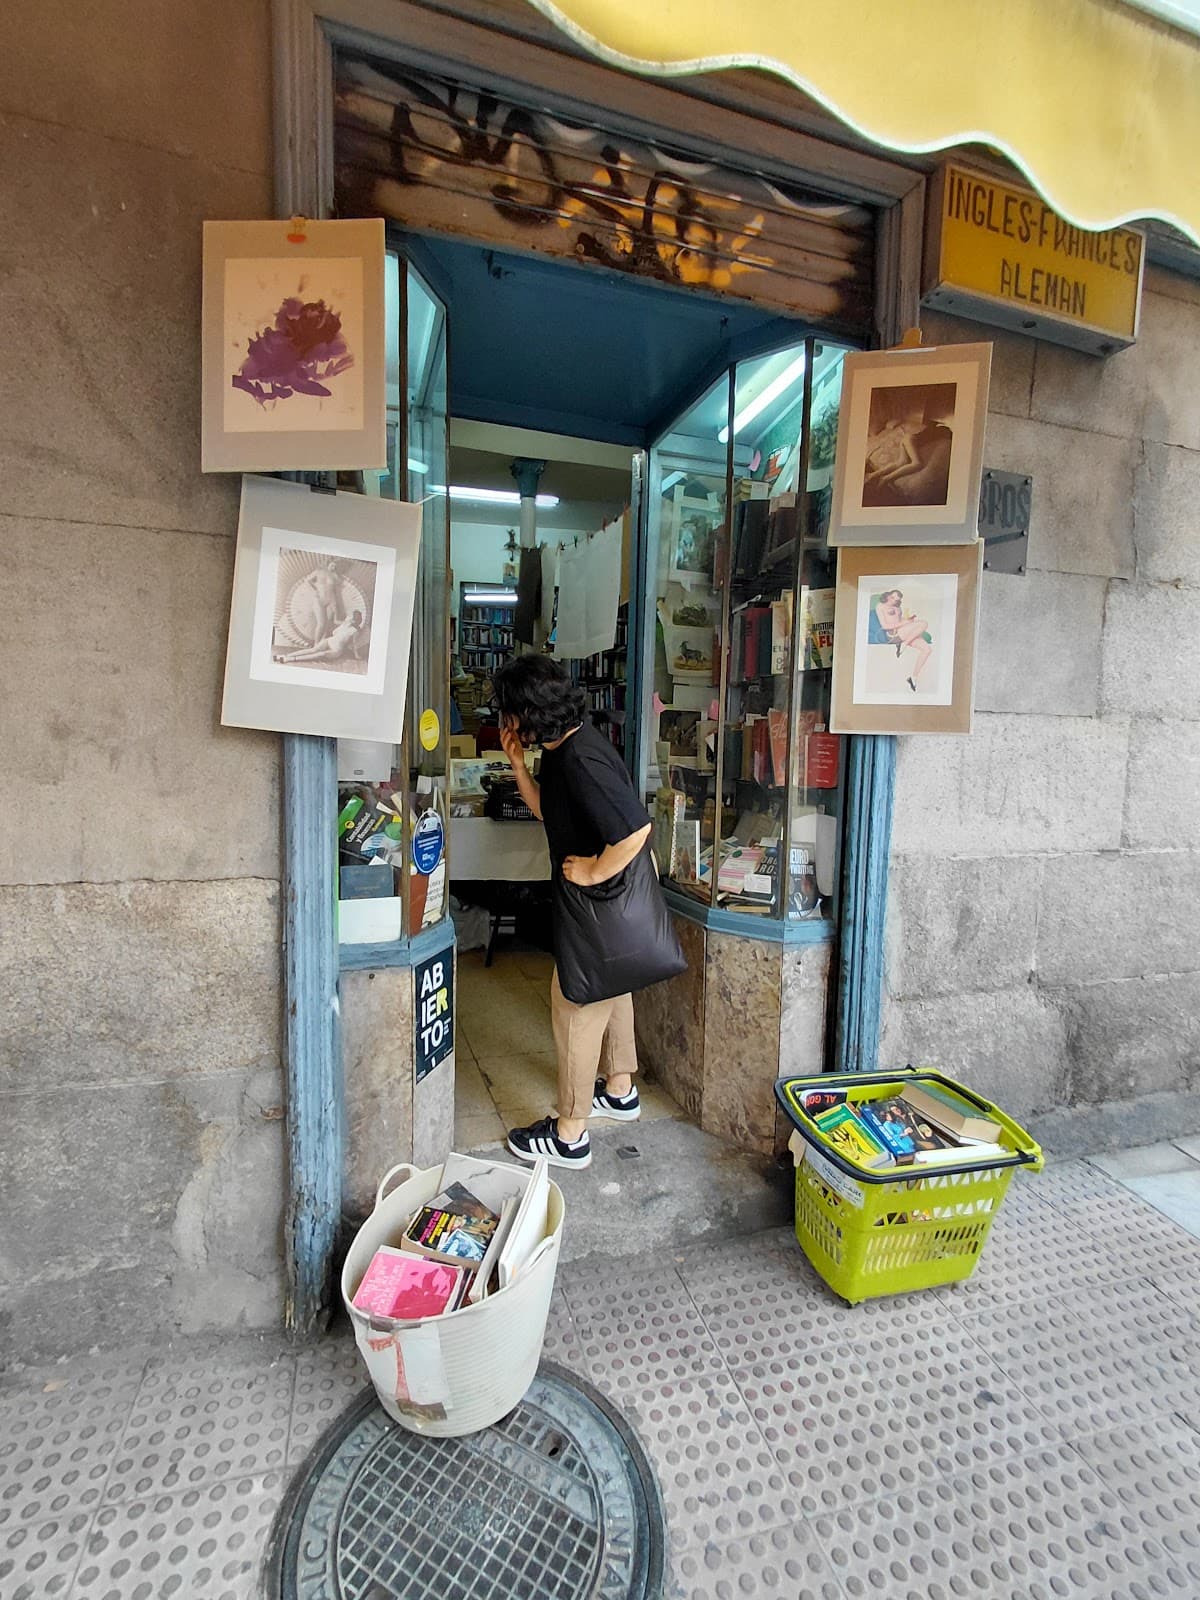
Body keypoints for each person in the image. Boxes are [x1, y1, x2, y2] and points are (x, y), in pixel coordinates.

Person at [491, 654, 652, 1170]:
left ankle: (569, 1133)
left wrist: (592, 872)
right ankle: (621, 1089)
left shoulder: (582, 757)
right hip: (604, 908)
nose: (503, 720)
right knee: (613, 988)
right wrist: (517, 764)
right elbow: (547, 812)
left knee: (574, 1005)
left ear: (531, 712)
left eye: (508, 712)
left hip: (598, 904)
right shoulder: (562, 749)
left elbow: (634, 830)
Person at [872, 590, 931, 693]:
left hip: (903, 633)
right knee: (924, 623)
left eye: (896, 600)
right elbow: (885, 626)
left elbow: (898, 621)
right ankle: (904, 644)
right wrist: (905, 623)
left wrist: (908, 621)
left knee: (927, 649)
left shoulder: (897, 607)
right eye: (892, 597)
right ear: (888, 595)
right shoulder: (880, 606)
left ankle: (913, 678)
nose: (893, 601)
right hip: (893, 636)